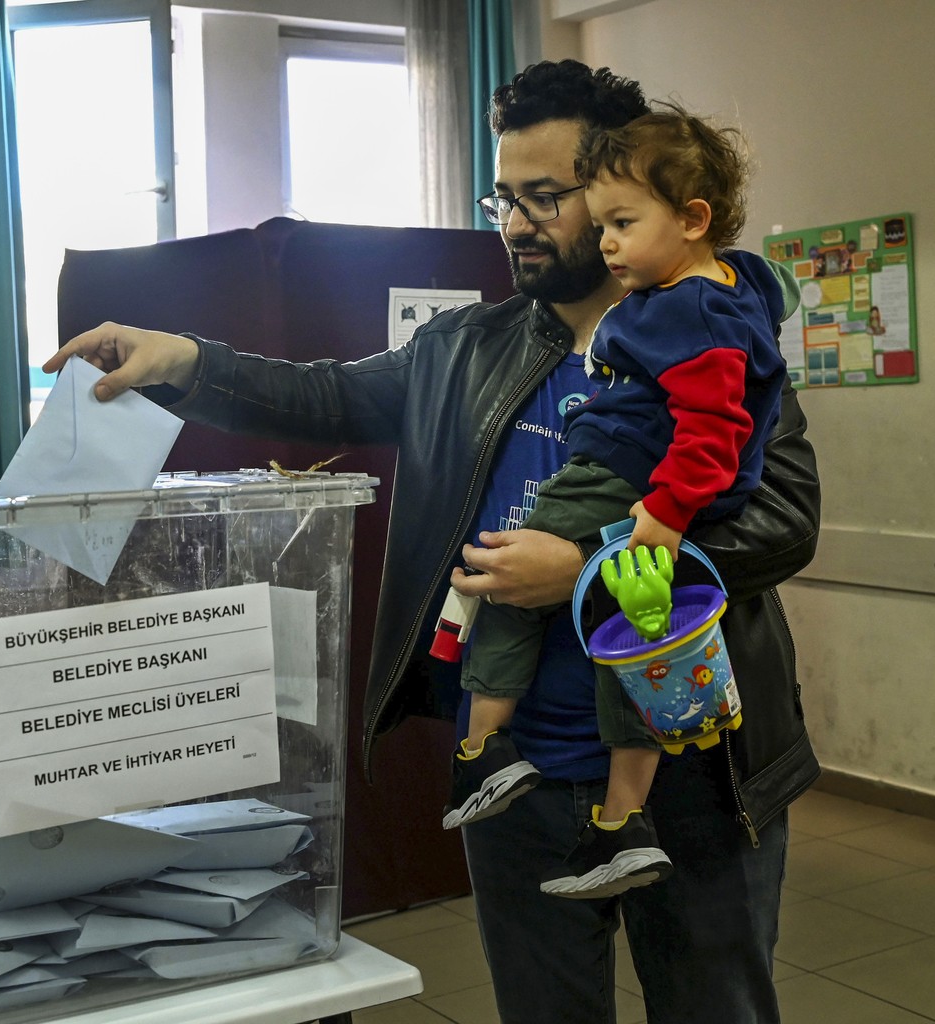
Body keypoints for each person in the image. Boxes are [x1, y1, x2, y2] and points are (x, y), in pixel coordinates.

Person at [45, 61, 819, 1024]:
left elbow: (786, 520)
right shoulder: (464, 347)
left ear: (631, 193)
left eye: (548, 197)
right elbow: (325, 392)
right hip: (519, 770)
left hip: (692, 759)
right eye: (505, 195)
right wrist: (185, 361)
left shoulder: (718, 334)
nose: (516, 222)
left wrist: (586, 570)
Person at [447, 102, 799, 903]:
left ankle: (482, 753)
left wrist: (656, 521)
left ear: (692, 219)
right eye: (504, 199)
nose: (607, 241)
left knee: (504, 583)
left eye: (617, 220)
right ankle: (622, 822)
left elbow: (719, 438)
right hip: (647, 493)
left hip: (622, 479)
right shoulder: (734, 290)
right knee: (634, 648)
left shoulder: (690, 308)